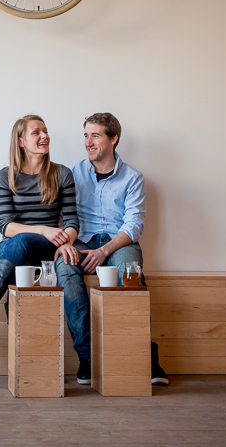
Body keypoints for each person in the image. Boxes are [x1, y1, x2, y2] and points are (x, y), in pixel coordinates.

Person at [54, 112, 169, 386]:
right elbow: (61, 215)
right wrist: (65, 242)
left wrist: (104, 251)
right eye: (86, 135)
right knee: (65, 270)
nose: (88, 142)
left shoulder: (133, 178)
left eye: (95, 136)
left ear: (113, 138)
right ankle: (87, 357)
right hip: (80, 240)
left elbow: (133, 225)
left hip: (118, 243)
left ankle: (145, 355)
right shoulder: (72, 174)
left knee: (130, 272)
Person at [0, 114, 79, 339]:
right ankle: (19, 339)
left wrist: (66, 242)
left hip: (49, 247)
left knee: (20, 242)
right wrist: (42, 229)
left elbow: (72, 221)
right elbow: (5, 226)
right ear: (20, 141)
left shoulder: (62, 174)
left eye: (45, 131)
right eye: (36, 132)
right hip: (17, 247)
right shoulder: (4, 176)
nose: (44, 136)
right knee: (19, 256)